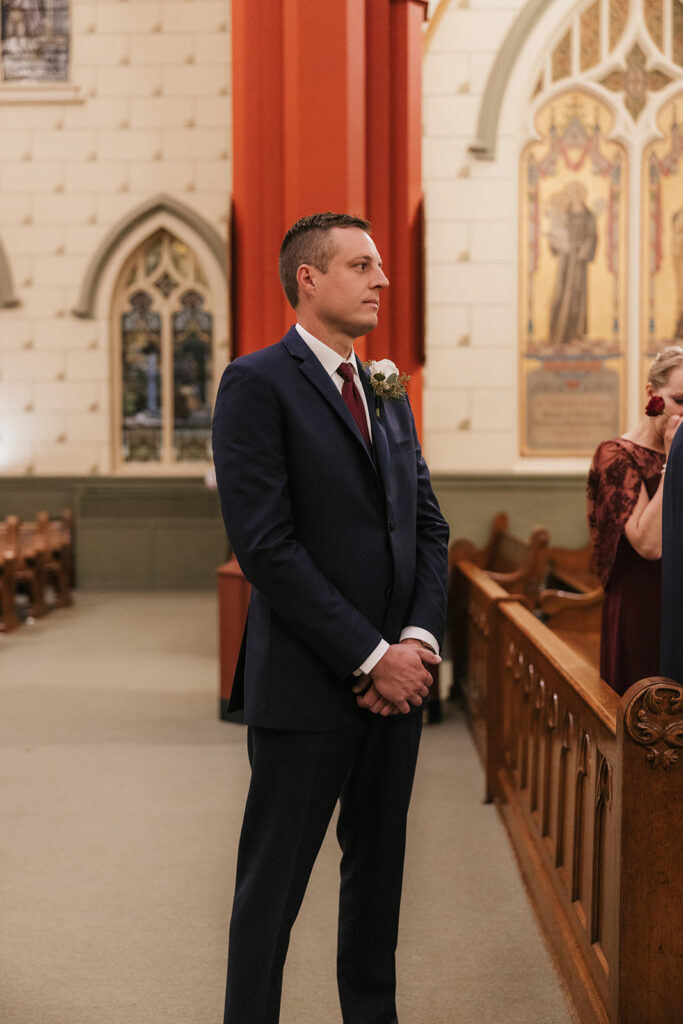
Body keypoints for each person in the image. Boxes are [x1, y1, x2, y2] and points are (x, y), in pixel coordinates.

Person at [211, 212, 449, 1024]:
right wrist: (367, 654)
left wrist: (413, 645)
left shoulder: (385, 386)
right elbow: (266, 546)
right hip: (311, 685)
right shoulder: (256, 382)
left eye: (379, 266)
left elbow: (425, 525)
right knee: (270, 891)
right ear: (308, 279)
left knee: (377, 884)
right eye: (361, 264)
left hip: (398, 689)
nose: (381, 279)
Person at [587, 346, 683, 695]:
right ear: (651, 394)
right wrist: (674, 459)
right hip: (642, 608)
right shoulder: (617, 455)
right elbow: (648, 543)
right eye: (679, 400)